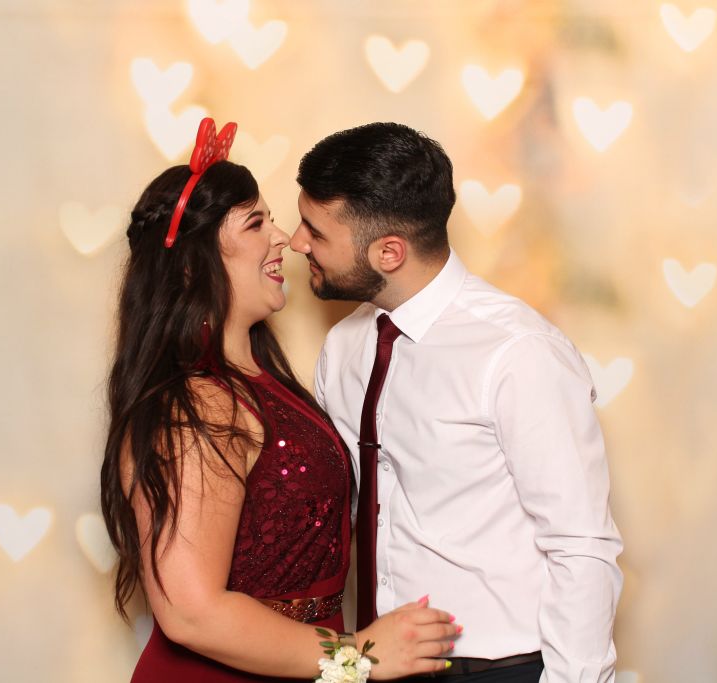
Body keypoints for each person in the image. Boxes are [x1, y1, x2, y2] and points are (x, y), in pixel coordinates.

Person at [100, 118, 459, 683]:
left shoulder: (262, 382)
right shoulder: (198, 404)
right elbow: (191, 612)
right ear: (192, 265)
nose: (284, 238)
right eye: (255, 223)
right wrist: (358, 657)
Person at [289, 122, 624, 683]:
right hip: (374, 663)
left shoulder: (519, 353)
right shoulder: (344, 347)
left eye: (315, 232)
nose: (296, 242)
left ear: (389, 252)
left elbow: (581, 544)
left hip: (503, 669)